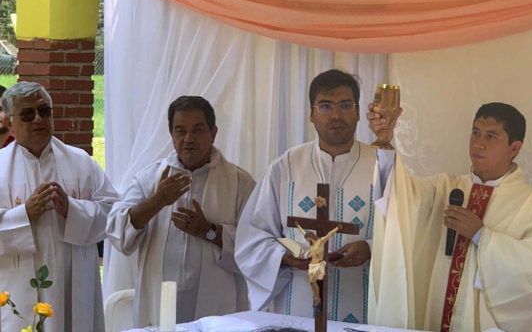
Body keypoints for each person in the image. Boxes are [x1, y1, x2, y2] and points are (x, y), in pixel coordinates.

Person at [367, 102, 532, 332]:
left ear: (514, 147)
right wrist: (385, 144)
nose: (478, 143)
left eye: (491, 136)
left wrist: (481, 235)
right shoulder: (446, 188)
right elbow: (398, 197)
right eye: (475, 133)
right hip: (437, 314)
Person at [235, 69, 376, 324]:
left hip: (361, 305)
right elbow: (252, 237)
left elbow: (407, 236)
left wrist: (369, 249)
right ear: (311, 113)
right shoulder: (285, 167)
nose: (336, 115)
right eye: (325, 106)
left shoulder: (381, 167)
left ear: (357, 112)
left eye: (345, 105)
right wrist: (284, 258)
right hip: (296, 305)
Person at [106, 96, 256, 327]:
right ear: (171, 134)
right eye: (180, 131)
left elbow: (256, 246)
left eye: (197, 131)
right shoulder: (150, 178)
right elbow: (118, 232)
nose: (188, 139)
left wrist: (210, 231)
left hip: (217, 307)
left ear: (213, 133)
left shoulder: (239, 182)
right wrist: (157, 201)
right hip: (159, 303)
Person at [0, 82, 118, 332]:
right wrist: (24, 215)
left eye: (45, 111)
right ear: (10, 123)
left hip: (72, 285)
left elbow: (113, 213)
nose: (38, 120)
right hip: (17, 287)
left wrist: (72, 210)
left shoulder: (82, 162)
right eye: (27, 114)